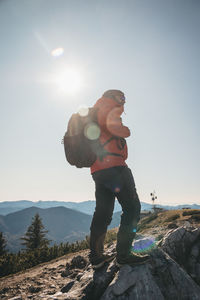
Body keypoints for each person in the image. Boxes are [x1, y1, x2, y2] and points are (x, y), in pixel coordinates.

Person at [89, 89, 150, 269]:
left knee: (103, 213)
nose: (124, 102)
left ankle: (97, 257)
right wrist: (125, 129)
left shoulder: (94, 112)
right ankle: (123, 254)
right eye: (122, 97)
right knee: (132, 208)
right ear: (112, 97)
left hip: (98, 170)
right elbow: (117, 129)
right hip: (115, 167)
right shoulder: (107, 108)